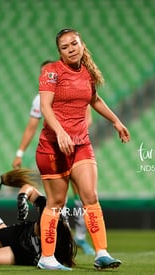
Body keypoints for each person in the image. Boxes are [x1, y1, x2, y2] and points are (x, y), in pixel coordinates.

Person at [35, 28, 130, 271]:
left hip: (80, 144)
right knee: (56, 202)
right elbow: (45, 107)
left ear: (81, 44)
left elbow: (94, 100)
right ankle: (47, 258)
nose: (71, 49)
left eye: (74, 44)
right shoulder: (51, 72)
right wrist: (60, 132)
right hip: (52, 147)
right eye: (65, 47)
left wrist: (116, 121)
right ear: (60, 52)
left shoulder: (87, 74)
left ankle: (102, 253)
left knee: (90, 197)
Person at [12, 61, 94, 255]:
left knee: (84, 197)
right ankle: (63, 237)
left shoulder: (77, 89)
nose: (47, 77)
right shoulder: (39, 100)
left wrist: (71, 137)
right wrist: (19, 153)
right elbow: (32, 126)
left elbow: (87, 117)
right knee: (59, 199)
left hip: (76, 146)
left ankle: (81, 237)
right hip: (54, 151)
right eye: (43, 74)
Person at [0, 184, 76, 268]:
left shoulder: (60, 233)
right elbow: (29, 188)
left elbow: (65, 255)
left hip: (25, 252)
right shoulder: (49, 206)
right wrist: (23, 198)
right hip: (21, 232)